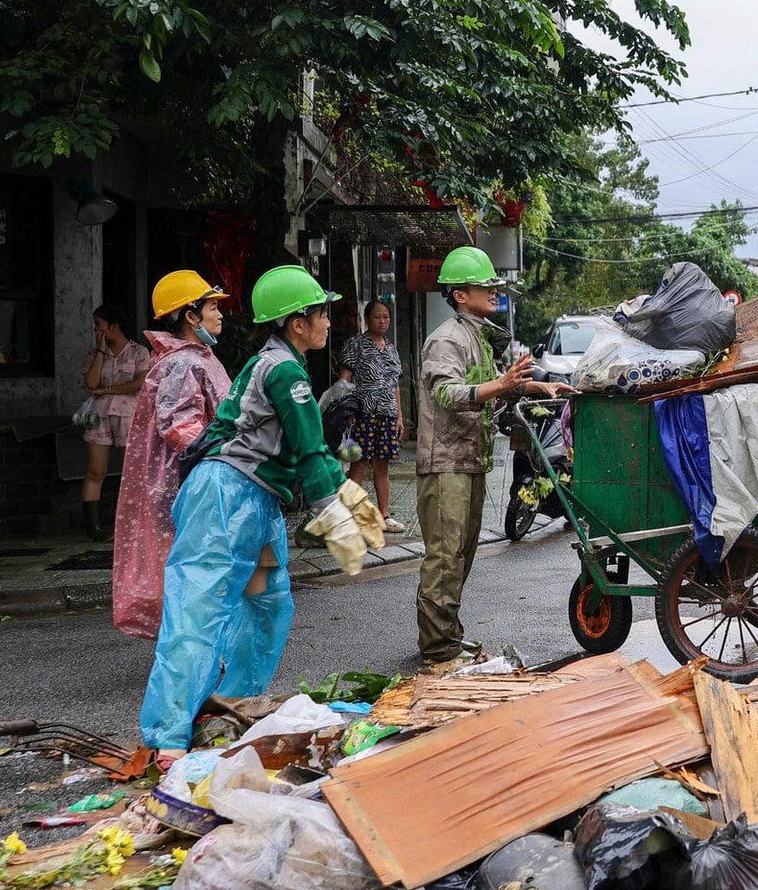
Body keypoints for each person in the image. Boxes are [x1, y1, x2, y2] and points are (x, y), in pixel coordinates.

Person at [139, 266, 379, 762]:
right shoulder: (284, 371)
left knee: (267, 604)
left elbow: (310, 452)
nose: (328, 322)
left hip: (255, 502)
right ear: (297, 323)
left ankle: (233, 705)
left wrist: (354, 502)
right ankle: (167, 736)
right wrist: (337, 517)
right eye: (321, 314)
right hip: (224, 498)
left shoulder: (279, 365)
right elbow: (309, 450)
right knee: (199, 610)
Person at [416, 246, 571, 672]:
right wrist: (502, 384)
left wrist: (536, 388)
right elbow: (446, 394)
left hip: (468, 459)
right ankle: (437, 650)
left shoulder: (477, 337)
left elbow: (493, 386)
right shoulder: (447, 339)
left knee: (461, 555)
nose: (494, 291)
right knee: (445, 557)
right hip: (445, 462)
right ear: (460, 295)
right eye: (485, 286)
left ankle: (446, 636)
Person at [111, 272, 232, 640]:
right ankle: (193, 649)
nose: (220, 314)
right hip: (191, 484)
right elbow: (180, 428)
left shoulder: (196, 357)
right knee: (195, 571)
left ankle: (197, 646)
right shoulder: (183, 363)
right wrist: (224, 457)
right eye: (212, 307)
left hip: (196, 481)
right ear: (191, 316)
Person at [80, 305, 151, 540]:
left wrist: (108, 390)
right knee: (95, 470)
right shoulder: (95, 354)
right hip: (99, 416)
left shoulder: (139, 352)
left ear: (114, 326)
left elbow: (139, 383)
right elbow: (91, 383)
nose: (96, 331)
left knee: (131, 471)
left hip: (128, 415)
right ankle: (94, 528)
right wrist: (100, 351)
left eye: (99, 325)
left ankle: (132, 525)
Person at [338, 299, 408, 534]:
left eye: (386, 317)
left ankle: (384, 515)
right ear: (367, 319)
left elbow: (395, 386)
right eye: (377, 317)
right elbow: (344, 380)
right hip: (362, 413)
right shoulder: (355, 345)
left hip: (387, 414)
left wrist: (399, 416)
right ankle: (348, 516)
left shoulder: (391, 349)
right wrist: (346, 410)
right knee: (358, 463)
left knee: (382, 464)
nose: (382, 321)